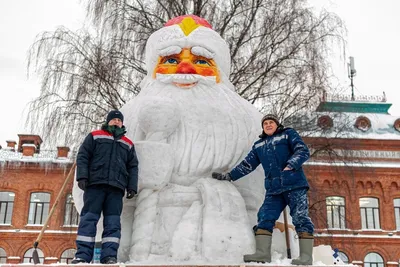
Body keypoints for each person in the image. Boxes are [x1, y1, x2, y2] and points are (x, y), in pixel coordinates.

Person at [212, 114, 314, 265]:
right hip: (274, 190)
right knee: (264, 216)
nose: (268, 125)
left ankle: (306, 257)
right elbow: (247, 165)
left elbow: (302, 150)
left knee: (300, 217)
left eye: (271, 122)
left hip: (294, 184)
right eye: (265, 123)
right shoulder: (259, 145)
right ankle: (262, 253)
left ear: (277, 124)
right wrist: (229, 176)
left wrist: (291, 165)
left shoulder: (287, 134)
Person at [71, 110, 139, 264]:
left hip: (116, 188)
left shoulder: (128, 143)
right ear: (108, 121)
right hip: (95, 185)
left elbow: (133, 166)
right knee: (88, 219)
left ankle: (109, 256)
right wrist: (82, 177)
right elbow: (83, 156)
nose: (116, 122)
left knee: (113, 224)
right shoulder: (95, 136)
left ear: (122, 123)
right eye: (113, 119)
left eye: (119, 120)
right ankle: (82, 255)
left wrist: (132, 187)